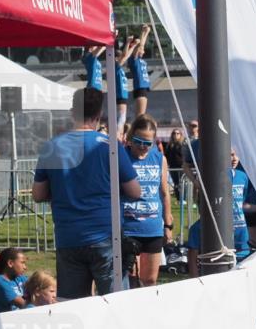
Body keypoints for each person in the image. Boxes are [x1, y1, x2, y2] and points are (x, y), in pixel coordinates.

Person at [32, 87, 141, 299]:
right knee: (117, 304)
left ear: (72, 112)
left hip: (68, 237)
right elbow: (135, 191)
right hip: (105, 236)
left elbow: (38, 194)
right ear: (99, 114)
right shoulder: (109, 146)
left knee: (73, 305)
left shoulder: (52, 146)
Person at [122, 115, 172, 288]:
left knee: (150, 281)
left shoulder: (159, 159)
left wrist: (168, 225)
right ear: (130, 138)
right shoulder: (121, 157)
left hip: (153, 229)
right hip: (128, 228)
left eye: (148, 143)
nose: (143, 147)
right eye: (138, 141)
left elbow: (164, 193)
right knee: (132, 280)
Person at [0, 247, 28, 313]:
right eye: (22, 262)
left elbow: (37, 288)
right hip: (5, 322)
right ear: (10, 263)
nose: (25, 267)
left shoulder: (20, 278)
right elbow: (24, 305)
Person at [128, 24, 152, 117]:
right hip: (140, 88)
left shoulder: (140, 60)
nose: (144, 50)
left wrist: (147, 33)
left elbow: (142, 46)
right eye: (141, 49)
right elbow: (140, 46)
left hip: (143, 88)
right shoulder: (133, 60)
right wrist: (143, 32)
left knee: (141, 115)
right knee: (140, 115)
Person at [165, 128, 186, 196]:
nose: (175, 135)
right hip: (172, 166)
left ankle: (183, 198)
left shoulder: (183, 144)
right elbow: (166, 156)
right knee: (176, 182)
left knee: (182, 182)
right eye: (174, 133)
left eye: (177, 133)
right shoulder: (169, 145)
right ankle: (178, 197)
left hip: (181, 166)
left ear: (180, 135)